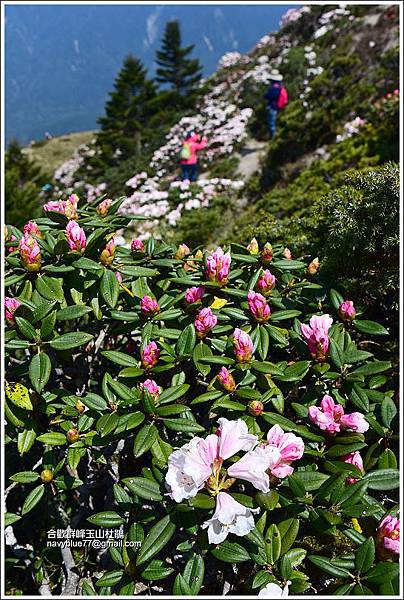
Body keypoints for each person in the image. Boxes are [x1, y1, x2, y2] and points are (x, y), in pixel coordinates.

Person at [264, 69, 288, 138]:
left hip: (272, 106)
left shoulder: (273, 88)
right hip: (278, 106)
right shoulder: (280, 86)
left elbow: (269, 96)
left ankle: (273, 139)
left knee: (271, 123)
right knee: (275, 122)